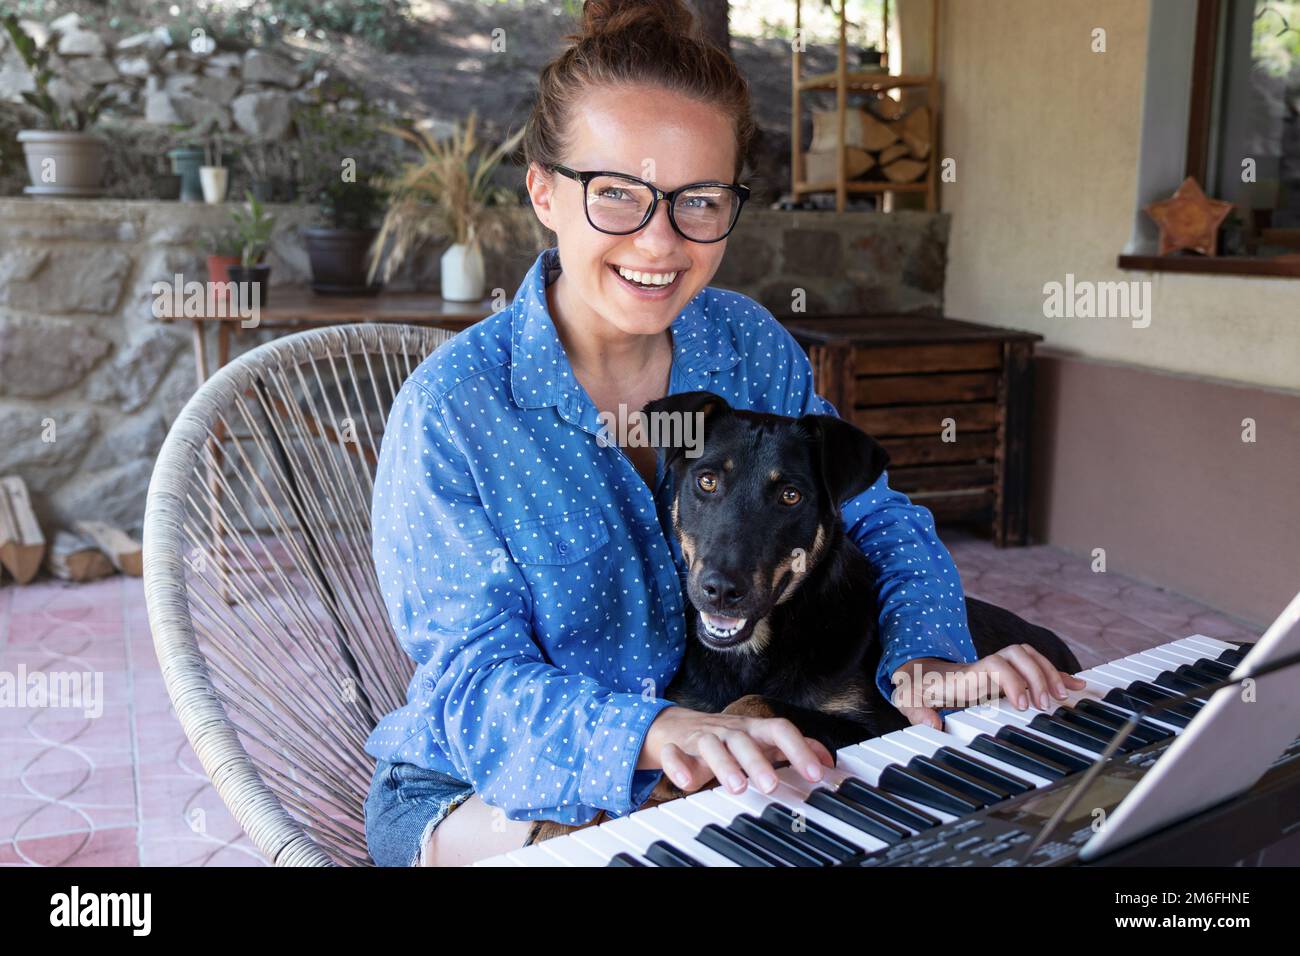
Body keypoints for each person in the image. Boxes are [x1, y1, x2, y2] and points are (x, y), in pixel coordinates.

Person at [363, 0, 1084, 867]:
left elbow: (880, 522)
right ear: (544, 190)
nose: (661, 242)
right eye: (617, 194)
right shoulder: (454, 409)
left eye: (699, 200)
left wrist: (926, 658)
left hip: (722, 749)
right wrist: (658, 732)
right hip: (494, 781)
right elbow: (470, 686)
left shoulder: (744, 344)